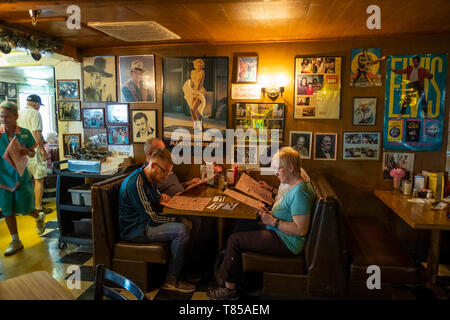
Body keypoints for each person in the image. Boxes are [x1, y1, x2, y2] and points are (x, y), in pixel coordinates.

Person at [207, 147, 316, 300]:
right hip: (279, 231)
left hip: (287, 242)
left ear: (291, 168)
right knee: (239, 225)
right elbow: (288, 213)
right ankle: (234, 274)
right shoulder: (295, 185)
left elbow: (300, 230)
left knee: (235, 240)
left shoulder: (300, 193)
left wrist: (272, 221)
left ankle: (229, 289)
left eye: (278, 169)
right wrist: (269, 214)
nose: (275, 173)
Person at [118, 147, 196, 293]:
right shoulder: (136, 183)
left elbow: (155, 196)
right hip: (136, 229)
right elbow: (152, 218)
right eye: (164, 171)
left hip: (146, 223)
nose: (166, 176)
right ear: (153, 165)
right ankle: (171, 280)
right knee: (181, 229)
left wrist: (160, 197)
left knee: (192, 221)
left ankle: (183, 271)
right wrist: (178, 218)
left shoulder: (150, 179)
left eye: (169, 172)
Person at [0, 101, 46, 256]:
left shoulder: (25, 133)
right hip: (3, 178)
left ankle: (38, 216)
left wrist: (26, 152)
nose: (3, 119)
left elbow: (33, 153)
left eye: (6, 116)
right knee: (7, 210)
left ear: (15, 116)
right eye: (1, 116)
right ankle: (16, 240)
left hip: (20, 177)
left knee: (26, 209)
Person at [18, 94, 52, 215]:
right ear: (36, 103)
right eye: (39, 105)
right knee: (39, 179)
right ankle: (38, 208)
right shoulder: (35, 113)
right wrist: (42, 149)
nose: (39, 108)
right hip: (34, 149)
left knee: (27, 180)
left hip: (21, 150)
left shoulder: (19, 113)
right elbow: (36, 132)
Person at [183, 58, 207, 129]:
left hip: (200, 91)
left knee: (193, 108)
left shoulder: (202, 72)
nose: (199, 67)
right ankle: (198, 125)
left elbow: (199, 83)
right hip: (193, 91)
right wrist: (190, 89)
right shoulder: (192, 72)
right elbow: (192, 83)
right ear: (194, 65)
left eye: (200, 66)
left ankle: (198, 125)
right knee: (192, 109)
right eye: (197, 66)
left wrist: (196, 92)